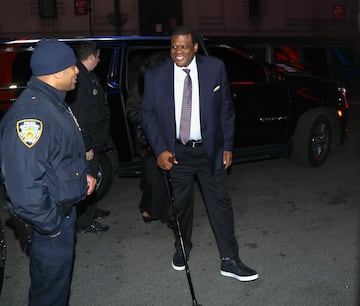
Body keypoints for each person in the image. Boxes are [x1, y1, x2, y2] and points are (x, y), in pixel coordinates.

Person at [141, 26, 259, 282]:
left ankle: (229, 259)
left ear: (195, 47)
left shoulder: (214, 68)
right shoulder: (155, 75)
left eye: (184, 46)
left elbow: (226, 110)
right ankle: (182, 246)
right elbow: (147, 114)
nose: (178, 51)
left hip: (210, 151)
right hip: (176, 153)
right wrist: (160, 148)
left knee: (221, 205)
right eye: (174, 46)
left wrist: (227, 146)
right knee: (180, 206)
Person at [0, 38, 97, 305]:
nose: (77, 70)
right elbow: (24, 187)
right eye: (71, 67)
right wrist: (52, 225)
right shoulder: (31, 117)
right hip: (51, 224)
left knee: (58, 287)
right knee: (49, 296)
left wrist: (81, 177)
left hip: (62, 212)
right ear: (55, 73)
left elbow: (58, 156)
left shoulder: (53, 102)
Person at [67, 41, 112, 233]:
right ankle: (85, 221)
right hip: (88, 141)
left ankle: (92, 210)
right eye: (99, 56)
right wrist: (86, 146)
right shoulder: (80, 79)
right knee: (88, 179)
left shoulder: (89, 76)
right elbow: (80, 117)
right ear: (92, 56)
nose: (100, 60)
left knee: (93, 176)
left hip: (96, 138)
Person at [126, 52, 170, 223]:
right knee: (153, 180)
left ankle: (168, 214)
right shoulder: (141, 84)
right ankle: (150, 209)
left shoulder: (171, 84)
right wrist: (150, 119)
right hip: (149, 140)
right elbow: (131, 111)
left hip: (169, 138)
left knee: (169, 180)